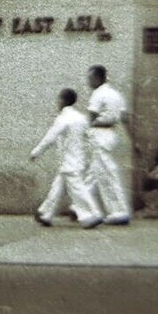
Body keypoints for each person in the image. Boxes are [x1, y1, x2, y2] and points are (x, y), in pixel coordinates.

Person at [31, 88, 101, 228]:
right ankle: (46, 213)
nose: (57, 102)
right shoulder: (81, 118)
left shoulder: (63, 118)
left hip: (69, 162)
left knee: (78, 189)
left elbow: (50, 137)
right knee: (57, 188)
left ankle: (91, 215)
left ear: (62, 100)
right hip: (77, 160)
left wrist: (36, 152)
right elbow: (89, 138)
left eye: (59, 99)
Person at [86, 65, 133, 225]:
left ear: (99, 78)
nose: (89, 82)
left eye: (90, 78)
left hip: (100, 134)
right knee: (95, 172)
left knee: (107, 174)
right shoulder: (116, 95)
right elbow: (125, 119)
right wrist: (132, 138)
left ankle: (119, 212)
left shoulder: (97, 95)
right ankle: (80, 205)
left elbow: (91, 118)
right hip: (111, 134)